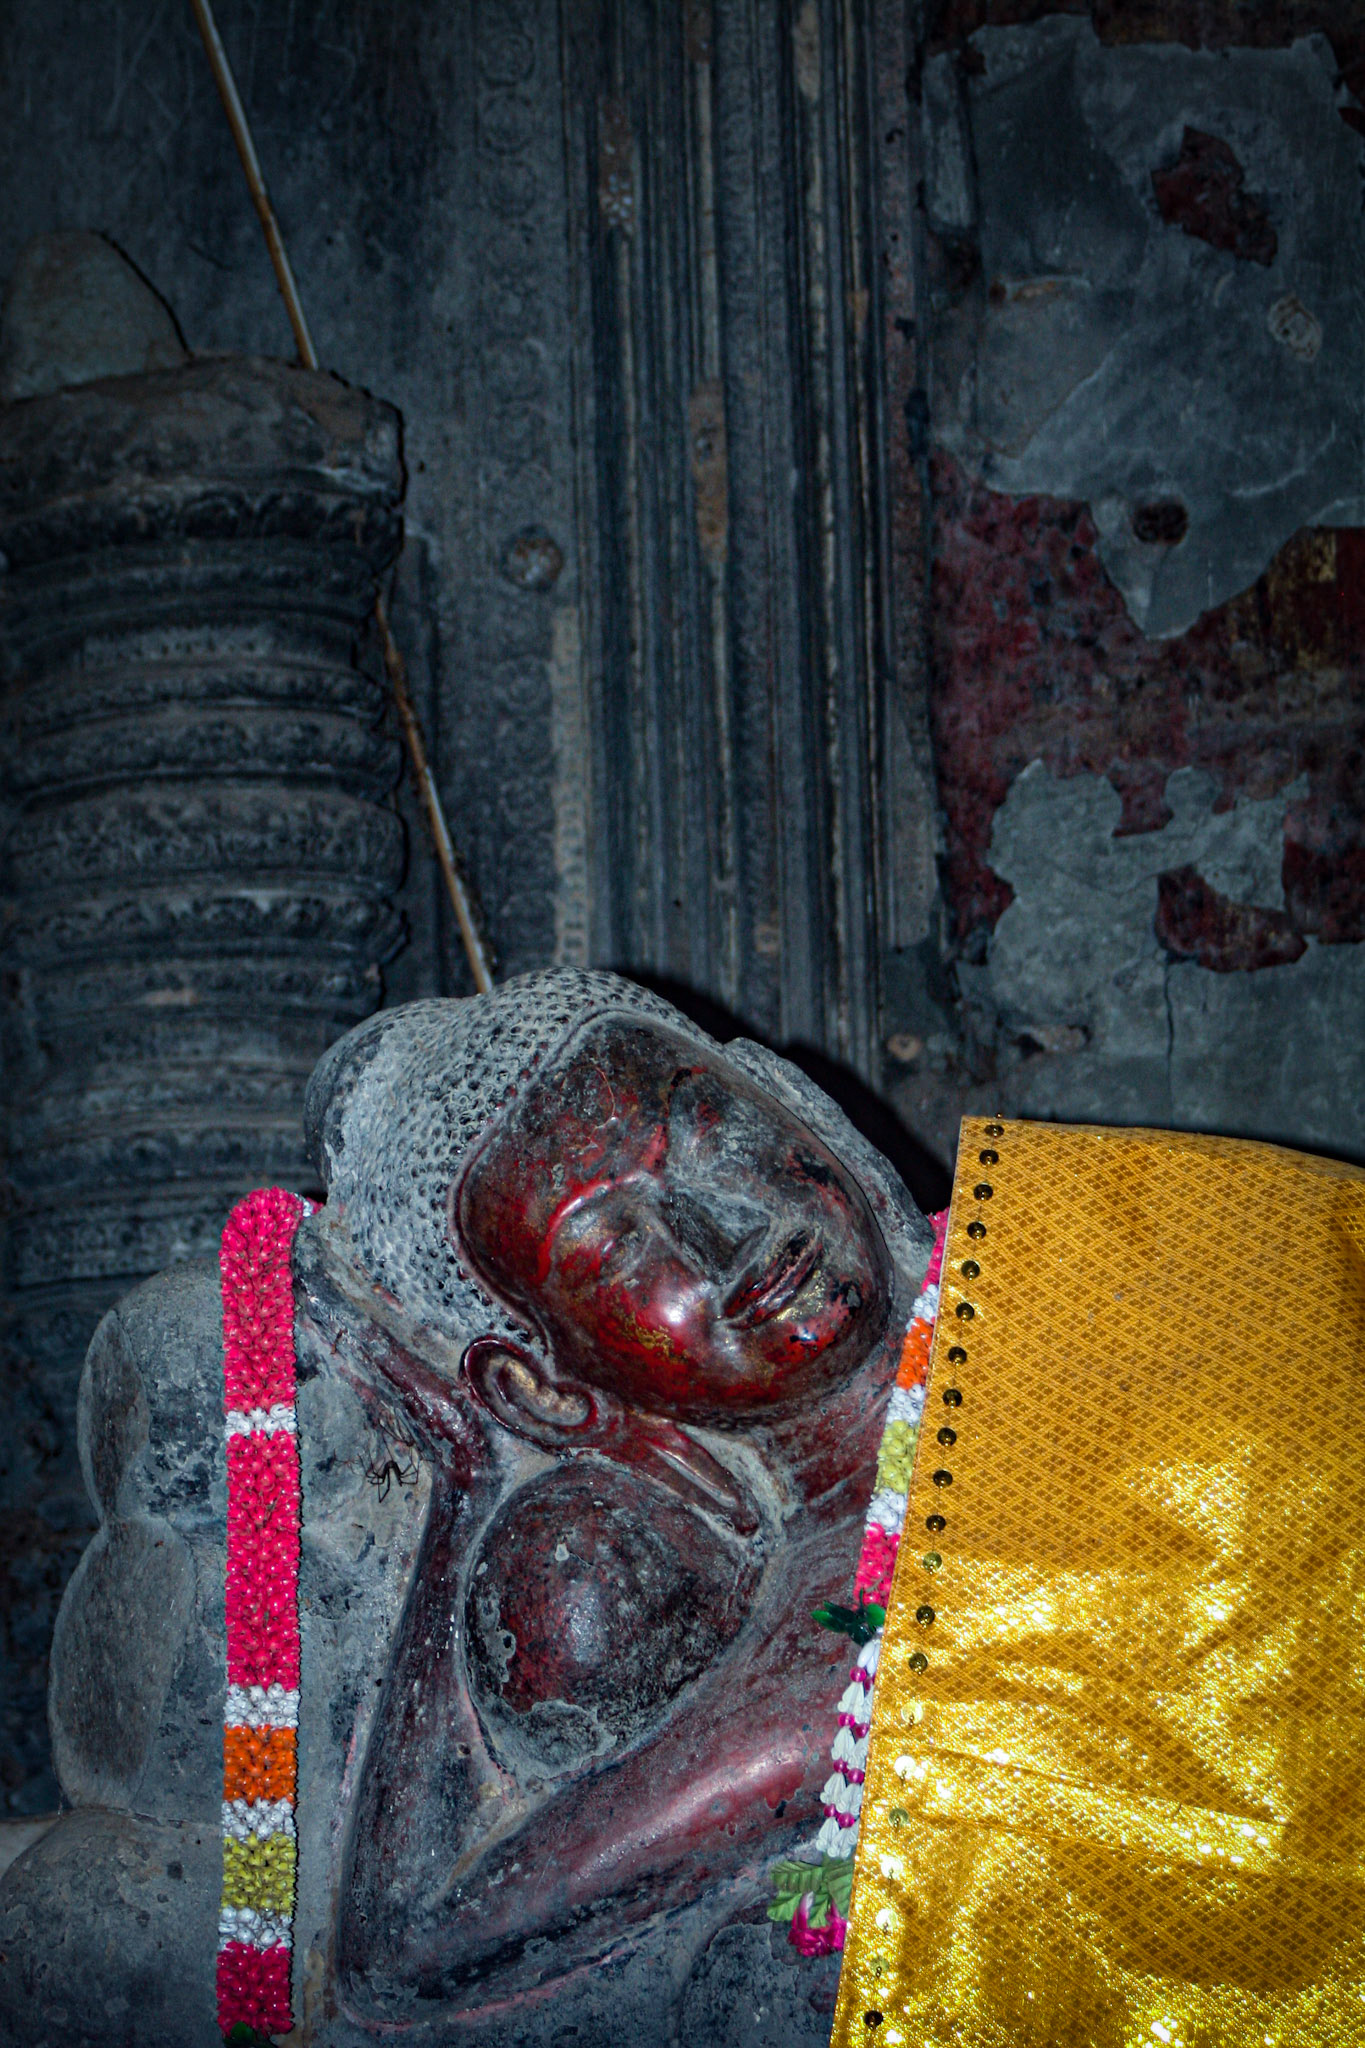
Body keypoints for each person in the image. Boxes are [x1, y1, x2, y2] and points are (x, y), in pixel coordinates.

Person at [0, 970, 932, 2048]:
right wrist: (463, 1486)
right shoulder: (837, 1642)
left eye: (707, 1126)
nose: (726, 1233)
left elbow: (406, 1941)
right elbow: (403, 1948)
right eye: (617, 1246)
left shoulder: (1066, 1237)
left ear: (788, 1095)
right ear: (546, 1396)